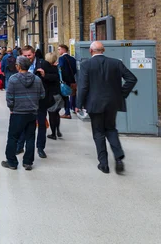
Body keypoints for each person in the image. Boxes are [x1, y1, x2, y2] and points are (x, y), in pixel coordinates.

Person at [77, 41, 137, 174]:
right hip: (112, 103)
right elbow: (131, 79)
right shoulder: (116, 63)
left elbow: (83, 86)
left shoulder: (86, 65)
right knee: (111, 129)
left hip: (94, 103)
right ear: (103, 50)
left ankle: (103, 163)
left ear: (91, 51)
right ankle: (118, 157)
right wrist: (121, 94)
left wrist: (78, 104)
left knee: (98, 132)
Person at [2, 56, 46, 171]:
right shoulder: (37, 79)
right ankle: (28, 162)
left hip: (17, 113)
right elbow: (42, 95)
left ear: (19, 66)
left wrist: (12, 108)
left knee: (13, 137)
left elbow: (9, 98)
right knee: (30, 137)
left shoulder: (13, 79)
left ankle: (12, 162)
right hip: (32, 113)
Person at [17, 45, 58, 159]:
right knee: (23, 124)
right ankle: (20, 146)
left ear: (34, 54)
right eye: (24, 55)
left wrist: (45, 75)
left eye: (29, 55)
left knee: (41, 125)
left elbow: (55, 77)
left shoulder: (43, 63)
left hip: (40, 101)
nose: (27, 57)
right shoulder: (19, 65)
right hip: (25, 101)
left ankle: (40, 148)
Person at [44, 52, 64, 140]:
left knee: (51, 114)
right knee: (56, 114)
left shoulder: (47, 70)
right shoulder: (57, 68)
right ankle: (58, 130)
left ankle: (53, 133)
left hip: (51, 95)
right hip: (58, 94)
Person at [58, 44, 77, 119]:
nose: (58, 51)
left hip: (65, 81)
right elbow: (75, 69)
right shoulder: (72, 59)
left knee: (65, 96)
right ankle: (75, 108)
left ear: (63, 49)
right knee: (73, 95)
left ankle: (67, 112)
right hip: (72, 80)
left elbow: (61, 69)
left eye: (59, 49)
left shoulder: (61, 59)